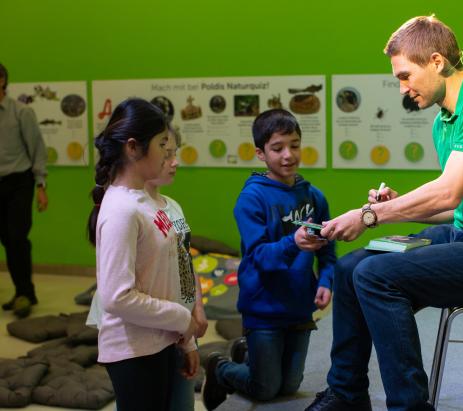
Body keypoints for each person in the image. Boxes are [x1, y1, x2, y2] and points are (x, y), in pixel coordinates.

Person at [305, 15, 463, 411]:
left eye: (405, 76)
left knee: (375, 276)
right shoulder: (443, 120)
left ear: (436, 61)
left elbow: (448, 194)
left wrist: (369, 215)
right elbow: (456, 206)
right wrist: (395, 207)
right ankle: (346, 396)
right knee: (350, 270)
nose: (403, 88)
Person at [202, 108, 336, 410]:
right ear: (260, 153)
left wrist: (326, 280)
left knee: (289, 385)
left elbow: (327, 249)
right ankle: (221, 368)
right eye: (277, 148)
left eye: (294, 145)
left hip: (299, 307)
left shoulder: (314, 196)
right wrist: (294, 242)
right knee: (265, 388)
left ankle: (248, 356)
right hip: (263, 306)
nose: (288, 155)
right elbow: (260, 256)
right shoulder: (251, 199)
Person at [87, 98, 199, 411]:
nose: (169, 153)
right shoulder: (122, 209)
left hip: (162, 341)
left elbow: (173, 276)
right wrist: (181, 318)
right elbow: (117, 297)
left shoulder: (148, 202)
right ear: (133, 148)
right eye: (162, 143)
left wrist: (185, 338)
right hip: (133, 351)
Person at [0, 62, 48, 319]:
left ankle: (25, 293)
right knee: (6, 239)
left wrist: (41, 186)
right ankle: (22, 291)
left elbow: (37, 150)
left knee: (17, 237)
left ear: (2, 80)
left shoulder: (21, 112)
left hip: (19, 182)